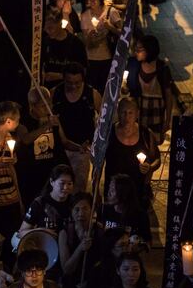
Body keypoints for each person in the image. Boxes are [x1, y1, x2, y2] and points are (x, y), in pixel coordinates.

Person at [104, 97, 160, 212]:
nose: (127, 117)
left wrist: (150, 168)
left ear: (137, 114)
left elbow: (157, 159)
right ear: (118, 112)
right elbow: (97, 162)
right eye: (123, 112)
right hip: (114, 191)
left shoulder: (146, 134)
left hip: (137, 191)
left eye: (130, 113)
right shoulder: (108, 133)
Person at [17, 87, 71, 205]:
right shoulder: (24, 121)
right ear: (33, 106)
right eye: (43, 106)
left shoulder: (53, 118)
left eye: (49, 103)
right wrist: (47, 125)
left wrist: (79, 147)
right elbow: (26, 139)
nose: (48, 108)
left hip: (52, 170)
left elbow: (64, 141)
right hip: (33, 173)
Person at [51, 63, 101, 193]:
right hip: (60, 149)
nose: (73, 86)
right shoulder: (55, 93)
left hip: (82, 149)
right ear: (63, 79)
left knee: (79, 186)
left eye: (77, 83)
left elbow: (103, 120)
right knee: (60, 186)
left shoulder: (92, 94)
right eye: (69, 82)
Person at [0, 101, 24, 251]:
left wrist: (19, 197)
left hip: (11, 198)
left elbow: (11, 169)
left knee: (13, 239)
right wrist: (1, 163)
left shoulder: (9, 138)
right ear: (8, 121)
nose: (18, 123)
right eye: (17, 120)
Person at [124, 34, 174, 144]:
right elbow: (128, 88)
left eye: (140, 49)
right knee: (138, 139)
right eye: (135, 49)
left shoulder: (162, 69)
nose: (136, 52)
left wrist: (167, 120)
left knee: (153, 142)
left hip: (156, 112)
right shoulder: (134, 65)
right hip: (139, 109)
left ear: (150, 50)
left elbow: (168, 96)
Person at [59, 192, 102, 288]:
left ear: (92, 210)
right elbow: (66, 269)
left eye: (85, 209)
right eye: (76, 209)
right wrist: (80, 248)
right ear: (71, 211)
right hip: (72, 286)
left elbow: (103, 264)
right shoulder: (66, 233)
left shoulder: (99, 232)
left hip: (93, 287)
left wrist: (89, 284)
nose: (81, 213)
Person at [80, 0, 122, 93]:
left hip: (107, 58)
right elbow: (87, 44)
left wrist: (110, 27)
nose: (91, 2)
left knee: (105, 90)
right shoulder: (85, 16)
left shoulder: (111, 12)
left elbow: (123, 34)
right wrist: (89, 36)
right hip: (91, 60)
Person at [19, 164, 75, 237]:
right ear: (52, 182)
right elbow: (21, 232)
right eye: (62, 183)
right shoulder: (39, 203)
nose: (66, 187)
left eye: (69, 184)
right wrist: (42, 231)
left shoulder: (74, 202)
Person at [102, 174, 152, 244]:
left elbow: (148, 242)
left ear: (124, 193)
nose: (109, 193)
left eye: (113, 190)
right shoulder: (104, 209)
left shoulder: (140, 216)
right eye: (109, 188)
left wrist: (138, 246)